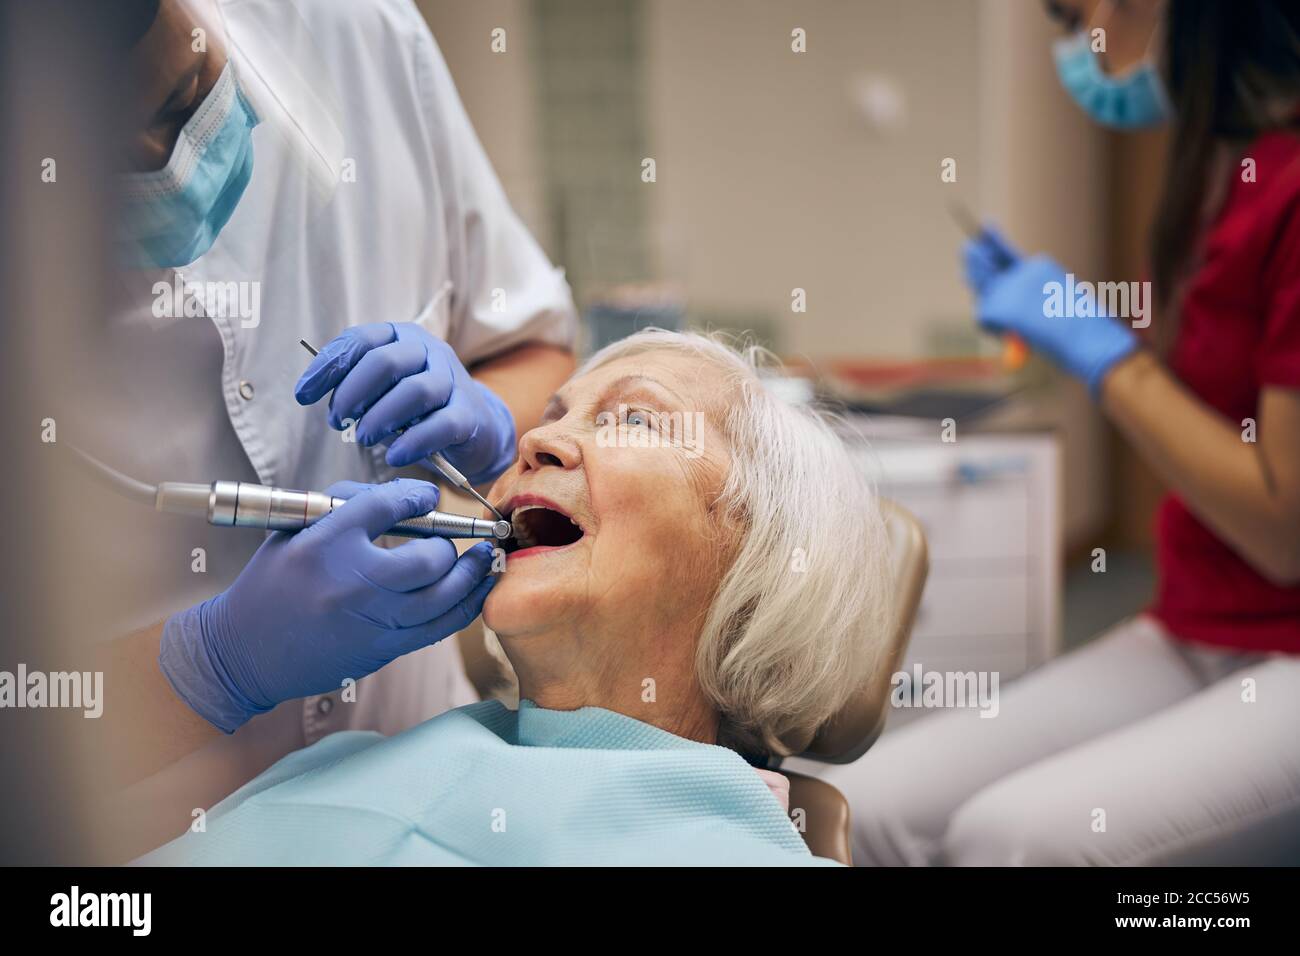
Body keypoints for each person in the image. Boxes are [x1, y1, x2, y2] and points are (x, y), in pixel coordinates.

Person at [81, 0, 576, 859]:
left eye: (180, 107)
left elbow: (538, 353)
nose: (164, 167)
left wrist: (495, 423)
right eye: (94, 151)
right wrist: (208, 666)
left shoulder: (357, 33)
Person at [820, 0, 1300, 865]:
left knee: (1014, 843)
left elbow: (1284, 531)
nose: (1077, 49)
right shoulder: (1225, 173)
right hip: (1203, 623)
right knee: (861, 809)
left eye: (1075, 17)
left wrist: (1101, 351)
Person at [133, 329, 894, 865]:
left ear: (757, 547)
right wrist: (214, 664)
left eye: (634, 419)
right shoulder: (348, 761)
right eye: (553, 415)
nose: (534, 443)